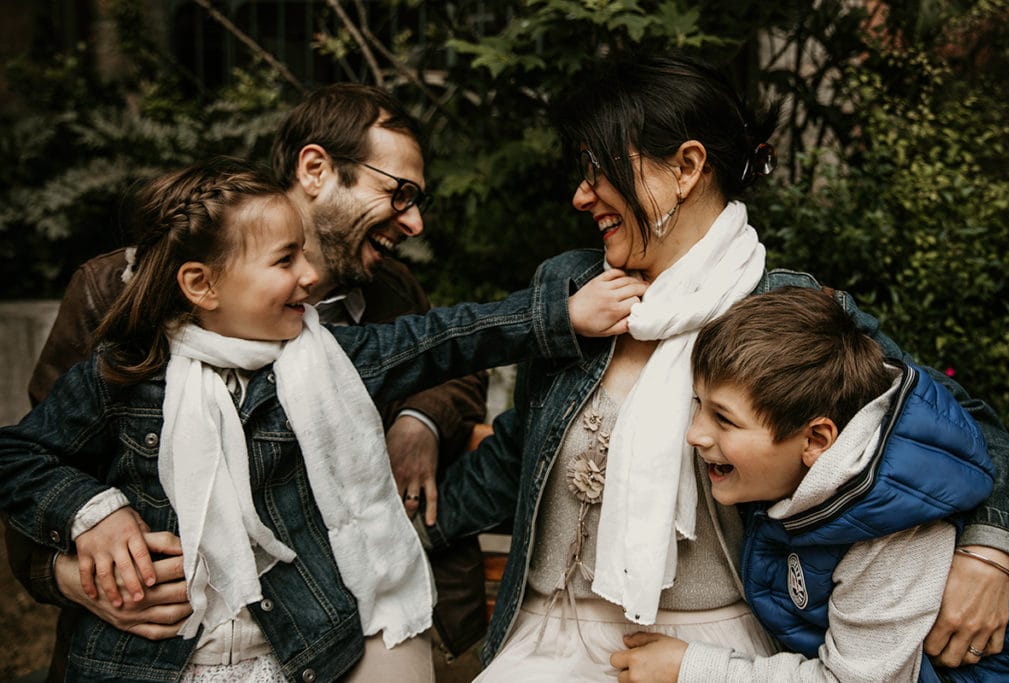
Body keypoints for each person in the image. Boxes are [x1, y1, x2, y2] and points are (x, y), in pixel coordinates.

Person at [422, 52, 1009, 681]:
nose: (581, 195)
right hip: (544, 636)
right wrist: (414, 532)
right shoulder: (576, 292)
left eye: (601, 170)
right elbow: (522, 450)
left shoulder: (786, 309)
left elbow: (956, 433)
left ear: (685, 167)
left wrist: (990, 550)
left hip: (714, 647)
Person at [0, 157, 644, 682]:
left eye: (304, 253)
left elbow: (444, 337)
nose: (310, 275)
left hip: (289, 650)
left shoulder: (327, 359)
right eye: (284, 261)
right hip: (145, 660)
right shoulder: (123, 374)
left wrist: (559, 314)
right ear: (202, 285)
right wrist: (92, 509)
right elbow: (18, 454)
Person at [7, 83, 492, 678]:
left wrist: (420, 421)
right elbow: (36, 468)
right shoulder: (119, 293)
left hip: (338, 615)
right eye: (400, 193)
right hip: (168, 631)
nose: (415, 222)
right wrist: (77, 574)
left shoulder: (389, 290)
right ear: (316, 168)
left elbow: (450, 353)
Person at [610, 286, 1009, 682]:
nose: (695, 434)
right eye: (698, 404)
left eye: (724, 419)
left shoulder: (892, 532)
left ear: (815, 440)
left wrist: (689, 670)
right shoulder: (802, 474)